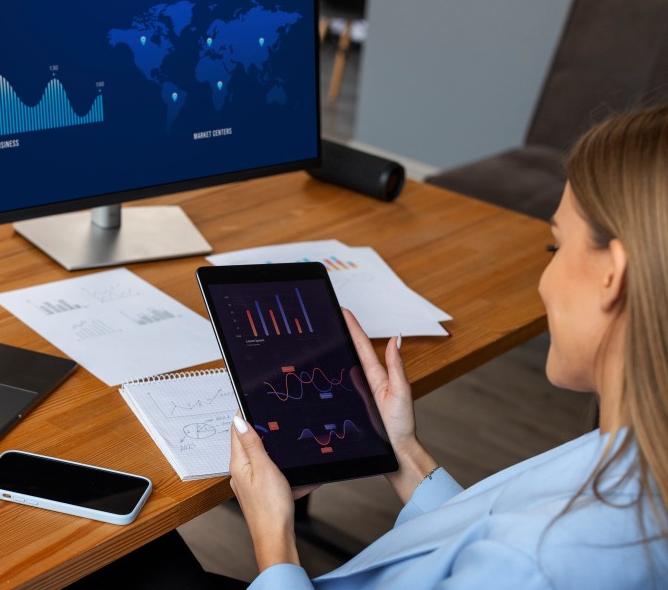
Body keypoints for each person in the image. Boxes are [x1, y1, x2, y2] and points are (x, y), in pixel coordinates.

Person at [229, 103, 668, 588]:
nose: (544, 282)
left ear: (613, 274)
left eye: (556, 247)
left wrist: (275, 540)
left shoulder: (538, 565)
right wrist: (402, 450)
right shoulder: (640, 450)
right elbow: (485, 533)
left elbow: (514, 559)